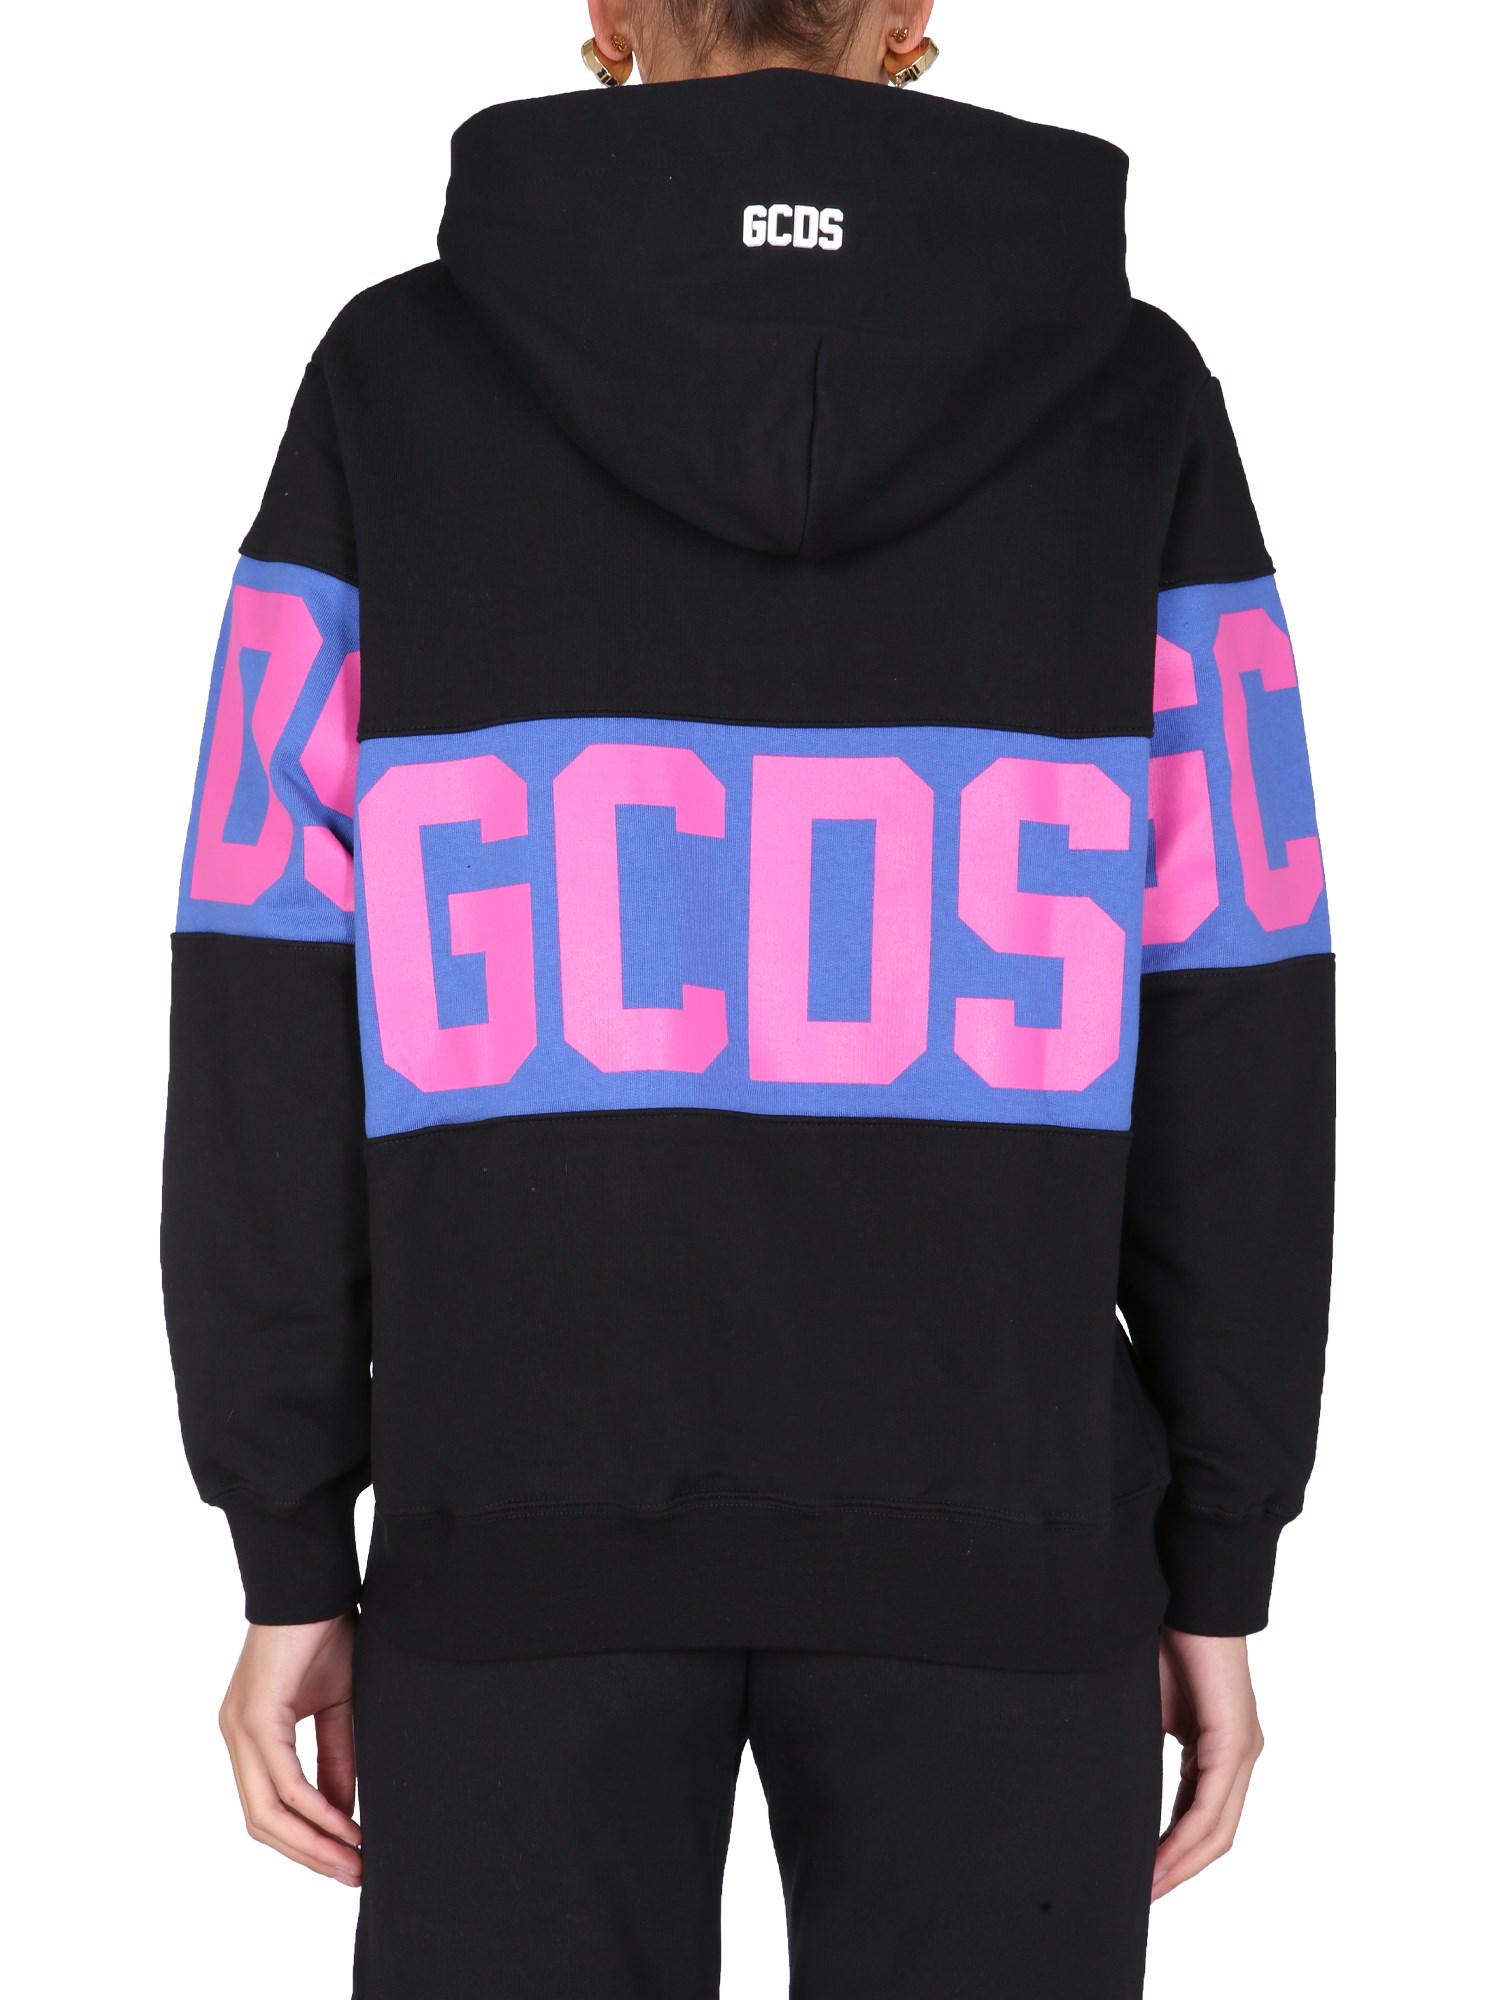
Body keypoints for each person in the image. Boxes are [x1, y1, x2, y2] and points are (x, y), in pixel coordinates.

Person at [161, 3, 1335, 1994]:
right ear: (914, 20)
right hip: (1012, 1528)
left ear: (607, 18)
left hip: (505, 1529)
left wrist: (289, 1538)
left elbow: (267, 985)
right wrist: (1221, 1551)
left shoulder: (399, 381)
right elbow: (1239, 993)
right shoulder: (1127, 395)